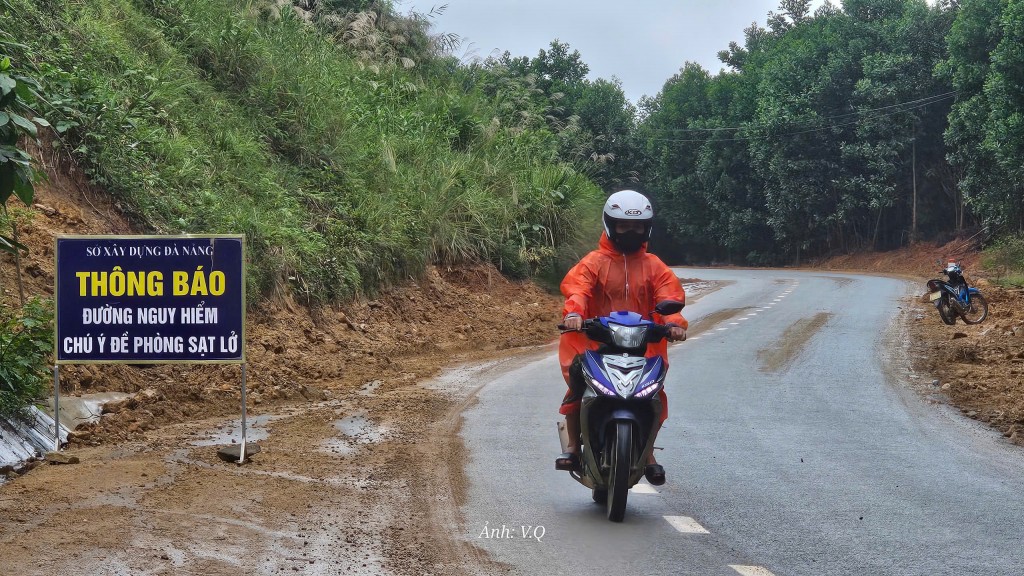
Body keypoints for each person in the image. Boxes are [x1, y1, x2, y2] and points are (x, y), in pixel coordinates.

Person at [555, 189, 687, 486]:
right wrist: (574, 314)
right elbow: (578, 288)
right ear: (610, 225)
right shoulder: (594, 262)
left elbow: (669, 295)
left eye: (637, 226)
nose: (630, 231)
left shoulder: (654, 265)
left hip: (642, 344)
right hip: (595, 342)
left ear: (647, 227)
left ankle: (648, 453)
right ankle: (574, 447)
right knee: (578, 385)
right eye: (624, 225)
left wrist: (674, 323)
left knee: (653, 394)